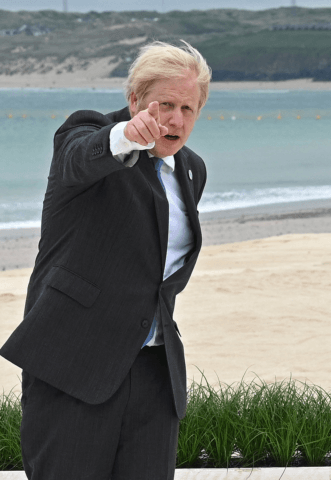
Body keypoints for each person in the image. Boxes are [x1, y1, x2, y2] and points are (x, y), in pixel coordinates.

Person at [0, 40, 211, 479]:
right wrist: (126, 136)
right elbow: (79, 157)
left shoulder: (191, 170)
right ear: (135, 100)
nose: (175, 119)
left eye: (188, 108)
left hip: (155, 375)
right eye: (164, 104)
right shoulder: (88, 136)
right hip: (75, 367)